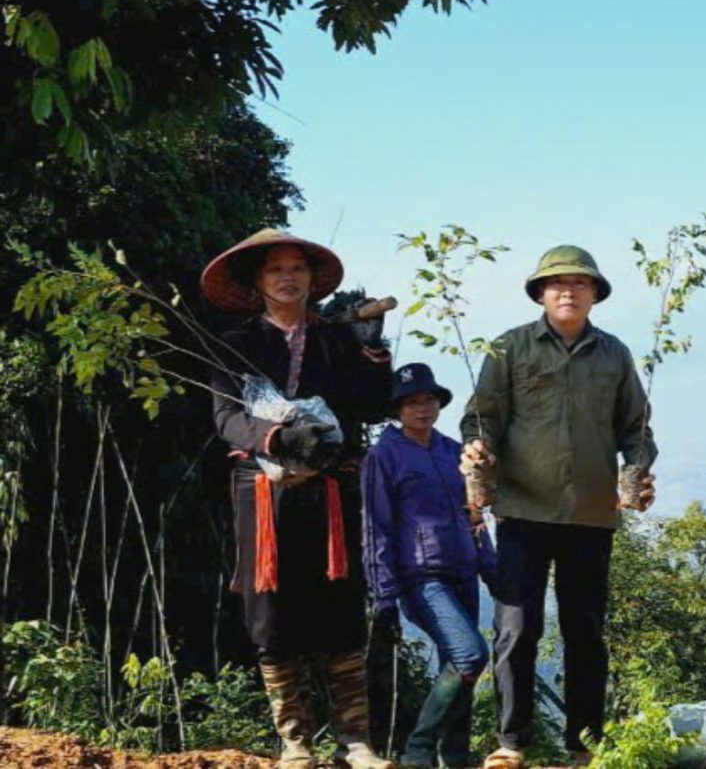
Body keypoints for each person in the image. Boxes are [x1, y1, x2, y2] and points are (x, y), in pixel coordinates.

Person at [203, 228, 395, 769]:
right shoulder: (233, 344)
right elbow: (226, 418)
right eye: (275, 270)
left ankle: (355, 741)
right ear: (257, 282)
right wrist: (277, 438)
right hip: (263, 493)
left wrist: (374, 350)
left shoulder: (338, 341)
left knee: (339, 607)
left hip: (332, 488)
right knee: (270, 613)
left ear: (312, 280)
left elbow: (375, 405)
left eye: (297, 269)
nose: (288, 277)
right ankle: (295, 741)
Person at [459, 245, 658, 769]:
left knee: (585, 630)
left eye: (579, 283)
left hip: (591, 513)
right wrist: (479, 450)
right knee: (516, 628)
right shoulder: (510, 348)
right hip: (523, 509)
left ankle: (583, 745)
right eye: (556, 283)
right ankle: (512, 743)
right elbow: (481, 418)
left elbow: (636, 429)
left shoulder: (614, 354)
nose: (567, 291)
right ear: (540, 293)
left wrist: (636, 472)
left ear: (595, 293)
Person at [363, 362, 496, 769]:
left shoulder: (452, 450)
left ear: (439, 404)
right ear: (398, 409)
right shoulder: (383, 456)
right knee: (470, 654)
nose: (422, 409)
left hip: (463, 571)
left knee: (460, 673)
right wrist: (383, 594)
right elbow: (376, 527)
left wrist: (492, 569)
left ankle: (454, 759)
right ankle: (418, 749)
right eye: (411, 402)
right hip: (420, 577)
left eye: (429, 400)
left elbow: (474, 515)